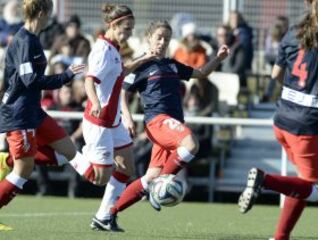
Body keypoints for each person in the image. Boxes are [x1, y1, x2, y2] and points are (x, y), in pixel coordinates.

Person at [237, 1, 318, 240]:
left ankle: (280, 237)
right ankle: (263, 179)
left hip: (282, 120)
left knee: (303, 182)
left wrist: (294, 95)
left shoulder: (291, 32)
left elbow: (276, 74)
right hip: (306, 127)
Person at [106, 20, 228, 230]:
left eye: (167, 39)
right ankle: (161, 184)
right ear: (149, 38)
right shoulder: (141, 64)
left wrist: (218, 58)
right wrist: (126, 117)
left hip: (172, 125)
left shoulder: (172, 64)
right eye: (159, 37)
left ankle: (110, 214)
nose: (163, 42)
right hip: (157, 121)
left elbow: (201, 73)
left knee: (150, 176)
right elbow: (123, 92)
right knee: (191, 144)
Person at [0, 0, 101, 221]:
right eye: (50, 13)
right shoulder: (24, 40)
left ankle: (9, 159)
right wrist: (64, 76)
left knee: (68, 152)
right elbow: (29, 80)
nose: (51, 18)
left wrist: (65, 75)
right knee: (23, 171)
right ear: (42, 12)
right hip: (19, 114)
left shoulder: (34, 39)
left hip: (33, 112)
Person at [81, 4, 156, 232]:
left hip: (113, 122)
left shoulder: (113, 48)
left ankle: (103, 217)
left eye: (131, 29)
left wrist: (145, 58)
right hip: (99, 122)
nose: (129, 33)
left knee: (126, 168)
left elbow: (120, 72)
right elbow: (89, 80)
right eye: (126, 28)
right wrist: (94, 102)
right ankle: (68, 153)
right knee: (99, 178)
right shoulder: (102, 49)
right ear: (113, 25)